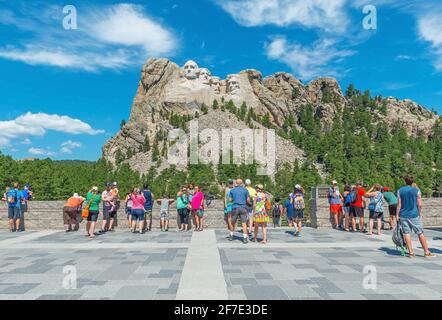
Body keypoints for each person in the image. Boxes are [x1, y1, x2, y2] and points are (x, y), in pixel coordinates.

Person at [396, 176, 435, 258]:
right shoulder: (417, 190)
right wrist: (420, 213)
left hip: (403, 214)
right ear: (412, 182)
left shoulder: (400, 190)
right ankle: (426, 252)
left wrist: (397, 215)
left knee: (406, 233)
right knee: (420, 232)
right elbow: (420, 204)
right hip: (414, 214)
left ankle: (411, 253)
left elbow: (399, 204)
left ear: (405, 181)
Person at [227, 179, 251, 244]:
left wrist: (233, 199)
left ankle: (231, 236)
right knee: (244, 223)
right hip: (243, 208)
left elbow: (229, 200)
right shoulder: (245, 190)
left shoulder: (232, 190)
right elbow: (248, 200)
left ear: (236, 183)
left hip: (235, 208)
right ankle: (245, 238)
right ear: (242, 183)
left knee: (232, 223)